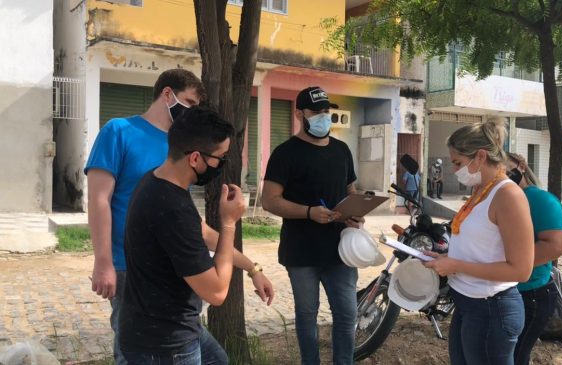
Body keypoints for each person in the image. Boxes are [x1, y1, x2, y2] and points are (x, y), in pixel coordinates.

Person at [85, 69, 273, 364]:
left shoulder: (176, 151)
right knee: (137, 351)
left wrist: (252, 267)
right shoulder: (120, 131)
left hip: (175, 275)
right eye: (188, 102)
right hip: (127, 267)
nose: (191, 112)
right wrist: (103, 261)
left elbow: (195, 229)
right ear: (167, 94)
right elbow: (99, 199)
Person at [119, 106, 241, 364]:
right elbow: (217, 292)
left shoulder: (155, 180)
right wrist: (229, 222)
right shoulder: (173, 209)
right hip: (165, 344)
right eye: (220, 157)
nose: (222, 164)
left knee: (218, 360)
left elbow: (204, 232)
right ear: (196, 158)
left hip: (158, 327)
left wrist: (253, 268)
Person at [261, 86, 363, 365]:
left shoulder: (342, 150)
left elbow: (351, 190)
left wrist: (356, 211)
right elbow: (269, 201)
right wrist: (308, 212)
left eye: (326, 111)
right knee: (307, 316)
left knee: (347, 314)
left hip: (340, 251)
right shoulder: (285, 153)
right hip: (301, 252)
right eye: (316, 111)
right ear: (299, 114)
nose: (323, 116)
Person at [423, 118, 534, 365]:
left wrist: (456, 265)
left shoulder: (508, 195)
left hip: (492, 310)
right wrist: (445, 259)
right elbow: (479, 248)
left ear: (480, 156)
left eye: (458, 163)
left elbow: (521, 269)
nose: (454, 170)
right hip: (467, 303)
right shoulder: (479, 191)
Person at [506, 153, 562, 365]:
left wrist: (509, 264)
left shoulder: (539, 200)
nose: (503, 174)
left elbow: (556, 246)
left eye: (507, 168)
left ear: (521, 166)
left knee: (515, 356)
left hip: (529, 293)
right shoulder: (498, 198)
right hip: (504, 292)